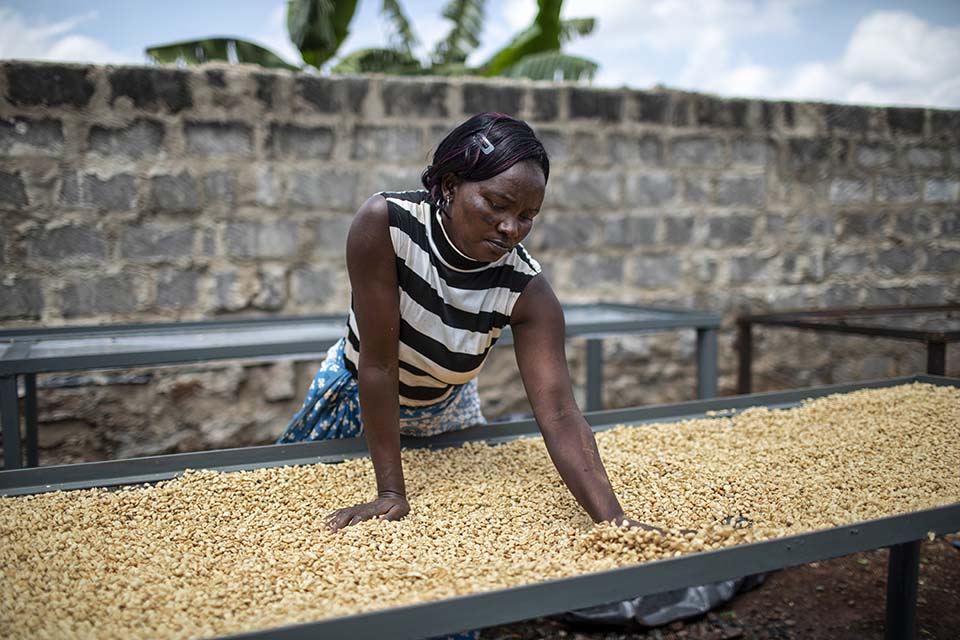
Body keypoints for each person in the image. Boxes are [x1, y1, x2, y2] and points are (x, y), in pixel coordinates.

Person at [279, 112, 658, 534]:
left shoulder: (526, 290)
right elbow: (379, 365)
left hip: (448, 411)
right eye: (496, 205)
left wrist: (615, 522)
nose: (511, 227)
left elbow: (559, 414)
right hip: (357, 403)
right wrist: (390, 493)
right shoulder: (387, 225)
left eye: (527, 215)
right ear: (449, 185)